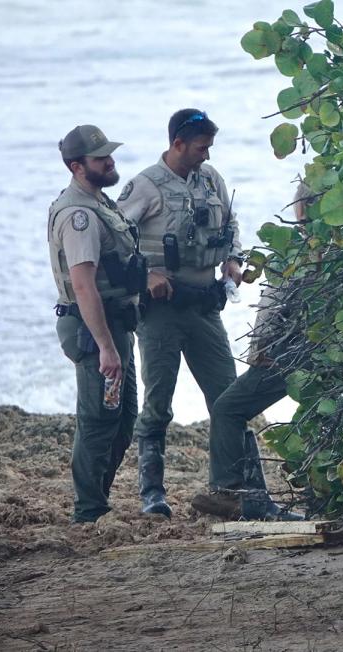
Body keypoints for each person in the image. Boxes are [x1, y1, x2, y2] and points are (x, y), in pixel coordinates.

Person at [117, 109, 243, 518]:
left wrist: (233, 261)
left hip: (205, 305)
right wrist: (148, 271)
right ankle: (152, 493)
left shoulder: (211, 180)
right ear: (177, 144)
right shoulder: (146, 186)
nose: (206, 155)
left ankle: (238, 487)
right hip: (162, 312)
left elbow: (231, 224)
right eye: (201, 148)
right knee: (158, 403)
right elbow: (115, 238)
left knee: (230, 397)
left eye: (209, 147)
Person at [191, 183, 318, 521]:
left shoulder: (295, 249)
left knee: (229, 409)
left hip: (289, 354)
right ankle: (305, 497)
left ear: (301, 210)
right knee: (317, 415)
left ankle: (233, 492)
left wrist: (257, 348)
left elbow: (272, 308)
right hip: (330, 354)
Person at [49, 125, 146, 523]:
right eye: (100, 158)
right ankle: (88, 511)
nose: (110, 162)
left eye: (109, 154)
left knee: (123, 419)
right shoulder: (79, 216)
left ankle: (95, 501)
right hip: (94, 330)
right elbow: (84, 286)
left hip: (113, 326)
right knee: (98, 420)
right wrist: (106, 347)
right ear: (77, 167)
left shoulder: (100, 202)